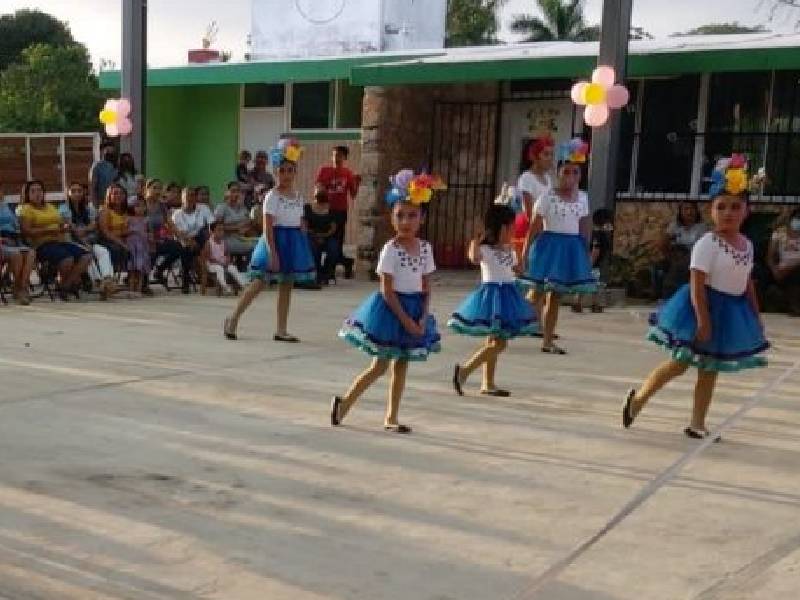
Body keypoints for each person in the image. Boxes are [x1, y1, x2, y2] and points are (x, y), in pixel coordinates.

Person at [622, 155, 769, 440]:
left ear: (746, 211)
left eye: (735, 207)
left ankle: (697, 423)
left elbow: (747, 283)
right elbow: (697, 284)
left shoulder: (747, 245)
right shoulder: (707, 243)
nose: (728, 213)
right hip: (701, 309)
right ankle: (638, 399)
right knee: (679, 364)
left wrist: (756, 316)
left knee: (710, 369)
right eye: (721, 207)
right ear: (711, 210)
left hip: (731, 312)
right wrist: (703, 320)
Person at [332, 169, 443, 434]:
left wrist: (422, 318)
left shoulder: (425, 249)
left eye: (412, 215)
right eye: (400, 215)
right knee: (379, 365)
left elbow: (426, 286)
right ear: (392, 218)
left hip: (415, 309)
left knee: (401, 365)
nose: (406, 221)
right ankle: (344, 402)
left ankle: (391, 416)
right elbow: (387, 290)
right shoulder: (390, 249)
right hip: (391, 311)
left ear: (422, 218)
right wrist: (405, 320)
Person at [223, 139, 313, 341]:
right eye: (282, 170)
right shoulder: (272, 196)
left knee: (287, 285)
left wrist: (303, 230)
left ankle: (281, 329)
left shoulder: (298, 197)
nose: (286, 175)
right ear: (276, 172)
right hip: (274, 241)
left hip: (292, 242)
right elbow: (268, 226)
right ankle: (233, 318)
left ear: (295, 172)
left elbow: (299, 219)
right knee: (259, 282)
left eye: (290, 170)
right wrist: (272, 252)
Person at [449, 204, 538, 397]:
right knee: (499, 343)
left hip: (508, 294)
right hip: (492, 296)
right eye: (511, 227)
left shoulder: (509, 249)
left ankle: (487, 383)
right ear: (501, 227)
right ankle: (464, 371)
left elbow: (519, 270)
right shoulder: (485, 248)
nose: (514, 230)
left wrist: (519, 256)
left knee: (494, 340)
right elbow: (474, 257)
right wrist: (475, 240)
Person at [519, 138, 597, 355]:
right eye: (566, 172)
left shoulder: (583, 198)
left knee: (556, 297)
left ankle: (547, 340)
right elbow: (534, 228)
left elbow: (584, 226)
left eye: (575, 173)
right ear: (558, 174)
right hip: (549, 247)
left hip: (571, 249)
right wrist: (525, 253)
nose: (570, 177)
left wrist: (586, 253)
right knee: (537, 292)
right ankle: (515, 321)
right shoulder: (547, 197)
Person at [18, 179, 91, 300]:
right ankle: (63, 284)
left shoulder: (50, 207)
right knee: (67, 259)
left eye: (40, 190)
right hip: (41, 244)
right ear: (27, 194)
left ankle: (65, 285)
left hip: (59, 241)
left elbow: (60, 222)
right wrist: (50, 231)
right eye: (33, 191)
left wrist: (64, 226)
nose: (37, 194)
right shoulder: (25, 209)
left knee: (86, 256)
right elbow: (27, 231)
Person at [59, 181, 117, 299]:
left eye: (79, 191)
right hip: (71, 242)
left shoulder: (88, 208)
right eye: (73, 191)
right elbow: (71, 228)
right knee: (87, 253)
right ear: (68, 193)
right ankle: (98, 282)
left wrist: (84, 230)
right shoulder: (64, 209)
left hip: (87, 240)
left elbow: (93, 225)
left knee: (103, 251)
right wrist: (84, 232)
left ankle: (107, 279)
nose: (77, 194)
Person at [315, 145, 360, 278]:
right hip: (325, 211)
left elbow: (353, 194)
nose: (336, 158)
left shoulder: (348, 173)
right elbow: (318, 189)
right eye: (334, 155)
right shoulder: (324, 170)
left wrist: (356, 182)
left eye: (339, 155)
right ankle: (339, 264)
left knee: (337, 241)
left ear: (345, 157)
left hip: (340, 211)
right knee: (324, 239)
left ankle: (331, 268)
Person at [653, 201, 708, 299]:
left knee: (678, 268)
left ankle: (673, 296)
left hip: (692, 258)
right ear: (680, 212)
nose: (689, 212)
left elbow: (701, 248)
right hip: (675, 256)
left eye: (692, 209)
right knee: (658, 267)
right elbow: (661, 243)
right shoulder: (675, 226)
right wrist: (669, 253)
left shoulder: (701, 228)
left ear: (696, 211)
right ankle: (659, 296)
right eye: (686, 209)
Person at [515, 135, 555, 256]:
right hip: (531, 226)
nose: (550, 158)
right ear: (534, 156)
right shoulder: (527, 178)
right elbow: (529, 211)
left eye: (551, 154)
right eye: (546, 154)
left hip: (547, 225)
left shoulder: (548, 178)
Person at [572, 208, 614, 314]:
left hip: (594, 264)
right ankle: (587, 303)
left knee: (590, 284)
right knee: (591, 284)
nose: (610, 225)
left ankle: (580, 303)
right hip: (593, 264)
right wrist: (590, 264)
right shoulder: (598, 234)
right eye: (608, 221)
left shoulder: (599, 234)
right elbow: (596, 250)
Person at [172, 187, 212, 294]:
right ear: (182, 198)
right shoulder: (177, 214)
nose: (190, 198)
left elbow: (211, 225)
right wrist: (189, 240)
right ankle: (186, 278)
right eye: (187, 195)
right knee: (186, 249)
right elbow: (178, 233)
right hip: (183, 241)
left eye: (193, 195)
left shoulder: (203, 208)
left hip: (201, 240)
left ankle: (190, 278)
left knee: (202, 235)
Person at [144, 178, 182, 290]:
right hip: (143, 239)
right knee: (153, 251)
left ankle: (159, 270)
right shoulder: (140, 203)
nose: (157, 191)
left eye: (159, 188)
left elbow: (170, 223)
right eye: (154, 188)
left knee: (178, 248)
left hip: (159, 239)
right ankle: (143, 280)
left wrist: (181, 237)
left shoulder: (162, 206)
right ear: (147, 189)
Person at [0, 192, 34, 304]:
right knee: (17, 255)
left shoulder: (6, 206)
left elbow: (15, 224)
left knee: (30, 253)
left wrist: (18, 231)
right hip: (2, 242)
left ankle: (21, 287)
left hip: (13, 240)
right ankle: (18, 289)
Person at [767, 207, 800, 315]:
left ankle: (793, 305)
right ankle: (793, 305)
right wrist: (775, 271)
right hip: (782, 271)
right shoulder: (779, 233)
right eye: (797, 218)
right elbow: (770, 257)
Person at [305, 187, 339, 285]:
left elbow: (333, 228)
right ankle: (317, 273)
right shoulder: (307, 208)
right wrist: (315, 235)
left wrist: (323, 236)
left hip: (327, 236)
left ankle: (327, 273)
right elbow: (304, 225)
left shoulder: (331, 210)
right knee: (313, 249)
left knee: (334, 249)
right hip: (312, 235)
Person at [214, 182, 257, 258]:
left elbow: (249, 222)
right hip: (227, 239)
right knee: (256, 246)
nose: (236, 194)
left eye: (238, 191)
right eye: (233, 191)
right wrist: (236, 228)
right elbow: (217, 228)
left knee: (261, 242)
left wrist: (248, 227)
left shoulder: (242, 207)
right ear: (227, 192)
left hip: (243, 237)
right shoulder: (221, 207)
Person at [204, 221, 247, 295]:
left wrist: (227, 260)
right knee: (219, 268)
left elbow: (227, 253)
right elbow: (209, 258)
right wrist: (220, 263)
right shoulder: (209, 243)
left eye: (222, 230)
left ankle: (244, 285)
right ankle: (225, 286)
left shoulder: (224, 242)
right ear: (212, 232)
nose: (221, 232)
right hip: (212, 264)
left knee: (233, 268)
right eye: (219, 230)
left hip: (224, 263)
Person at [97, 183, 130, 276]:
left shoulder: (127, 211)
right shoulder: (105, 211)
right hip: (108, 240)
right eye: (115, 193)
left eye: (121, 193)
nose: (118, 196)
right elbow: (105, 232)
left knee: (140, 247)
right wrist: (122, 243)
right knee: (117, 249)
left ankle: (136, 278)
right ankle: (111, 277)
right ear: (109, 196)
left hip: (123, 238)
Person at [126, 199, 151, 298]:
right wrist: (131, 231)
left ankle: (139, 290)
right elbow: (124, 231)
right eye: (137, 206)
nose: (140, 209)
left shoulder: (146, 220)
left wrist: (149, 237)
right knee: (132, 269)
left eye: (142, 206)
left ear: (145, 207)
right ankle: (131, 290)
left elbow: (150, 233)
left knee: (140, 269)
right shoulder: (129, 219)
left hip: (142, 246)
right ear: (133, 207)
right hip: (132, 246)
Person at [89, 141, 118, 208]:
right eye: (108, 151)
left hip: (116, 203)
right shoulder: (97, 166)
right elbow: (93, 187)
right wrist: (95, 206)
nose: (110, 153)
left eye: (112, 151)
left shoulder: (117, 166)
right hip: (102, 203)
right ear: (102, 152)